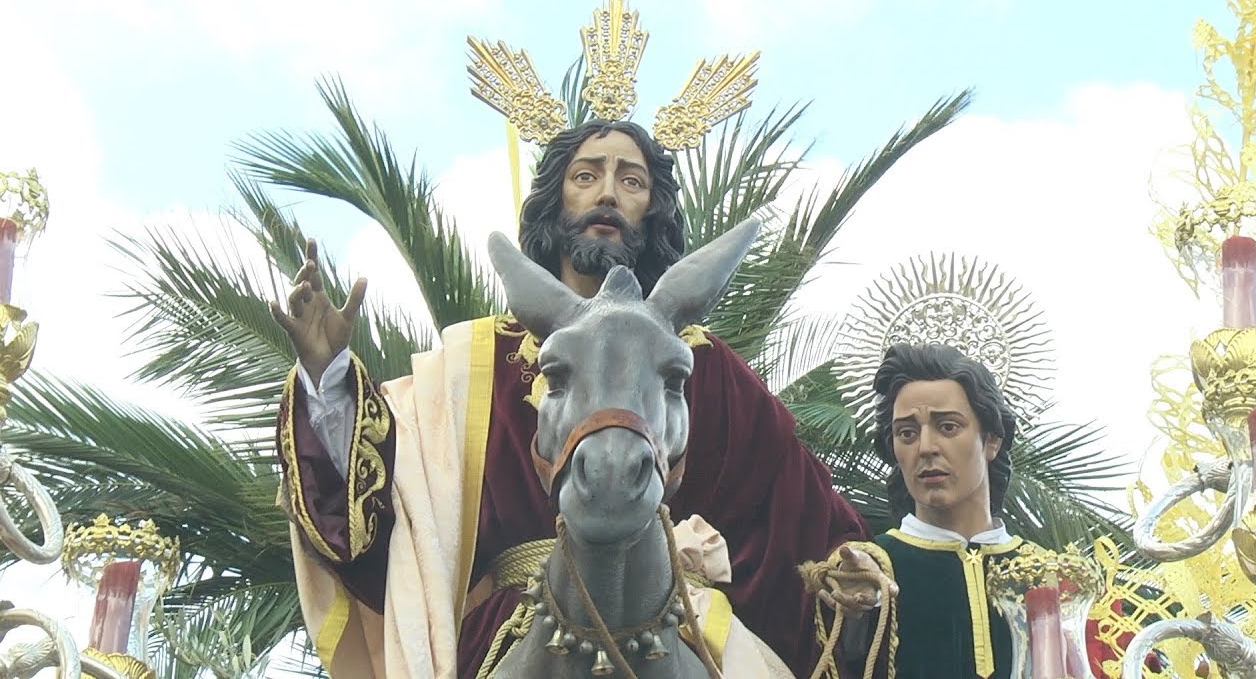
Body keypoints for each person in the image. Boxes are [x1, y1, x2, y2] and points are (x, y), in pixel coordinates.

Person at [270, 118, 892, 678]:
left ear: (653, 209)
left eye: (632, 181)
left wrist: (850, 567)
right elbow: (390, 501)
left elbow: (796, 510)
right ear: (555, 201)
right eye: (586, 176)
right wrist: (327, 376)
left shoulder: (704, 365)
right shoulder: (477, 362)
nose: (607, 194)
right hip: (510, 633)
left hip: (684, 624)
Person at [845, 344, 1149, 678]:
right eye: (907, 433)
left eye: (947, 427)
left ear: (992, 439)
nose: (926, 447)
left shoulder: (1054, 577)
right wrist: (854, 614)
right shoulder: (870, 569)